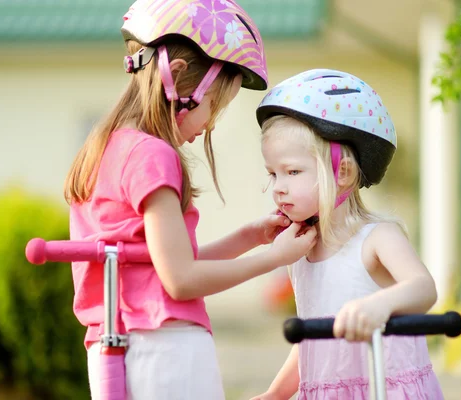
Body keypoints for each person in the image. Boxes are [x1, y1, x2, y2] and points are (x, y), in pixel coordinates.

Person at [64, 1, 317, 398]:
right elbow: (180, 280)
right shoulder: (153, 154)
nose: (210, 123)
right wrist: (274, 258)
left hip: (113, 347)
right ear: (176, 78)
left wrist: (249, 237)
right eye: (214, 105)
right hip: (166, 350)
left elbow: (158, 264)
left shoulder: (104, 149)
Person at [251, 69, 442, 400]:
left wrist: (379, 306)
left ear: (343, 172)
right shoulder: (302, 252)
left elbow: (424, 288)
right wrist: (274, 394)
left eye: (293, 172)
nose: (279, 187)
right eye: (273, 174)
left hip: (384, 390)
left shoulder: (377, 237)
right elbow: (313, 344)